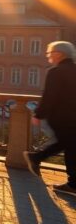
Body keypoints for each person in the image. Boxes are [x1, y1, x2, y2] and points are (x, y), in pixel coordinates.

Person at [24, 41, 76, 195]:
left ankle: (36, 157)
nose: (49, 56)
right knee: (69, 146)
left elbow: (49, 96)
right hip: (72, 117)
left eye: (50, 53)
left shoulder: (56, 72)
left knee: (68, 145)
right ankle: (73, 183)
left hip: (61, 117)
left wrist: (38, 114)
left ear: (59, 54)